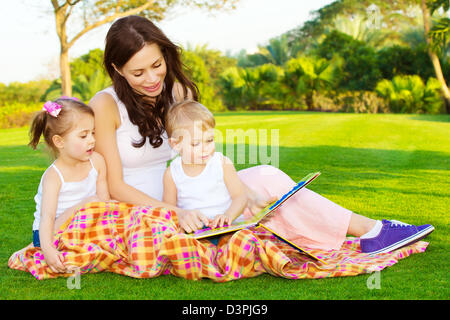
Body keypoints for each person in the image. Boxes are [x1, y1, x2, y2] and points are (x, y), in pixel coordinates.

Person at [90, 15, 434, 254]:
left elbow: (200, 152)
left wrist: (236, 189)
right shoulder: (105, 105)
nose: (152, 79)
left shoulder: (176, 92)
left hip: (189, 191)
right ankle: (362, 231)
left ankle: (369, 230)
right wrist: (173, 212)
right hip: (146, 206)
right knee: (254, 191)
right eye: (138, 72)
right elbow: (116, 186)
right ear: (117, 68)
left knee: (265, 177)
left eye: (157, 65)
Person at [29, 98, 110, 273]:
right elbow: (47, 218)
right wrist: (48, 248)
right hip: (50, 232)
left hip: (84, 223)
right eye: (83, 135)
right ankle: (34, 247)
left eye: (93, 133)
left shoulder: (97, 162)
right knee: (90, 203)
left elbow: (104, 202)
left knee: (103, 209)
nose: (92, 140)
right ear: (59, 142)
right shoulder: (53, 177)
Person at [163, 100, 247, 230]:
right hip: (198, 232)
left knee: (242, 243)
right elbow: (169, 210)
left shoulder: (222, 163)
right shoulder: (172, 173)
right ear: (176, 144)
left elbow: (240, 197)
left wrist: (228, 216)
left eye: (209, 140)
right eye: (196, 144)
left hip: (229, 227)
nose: (205, 148)